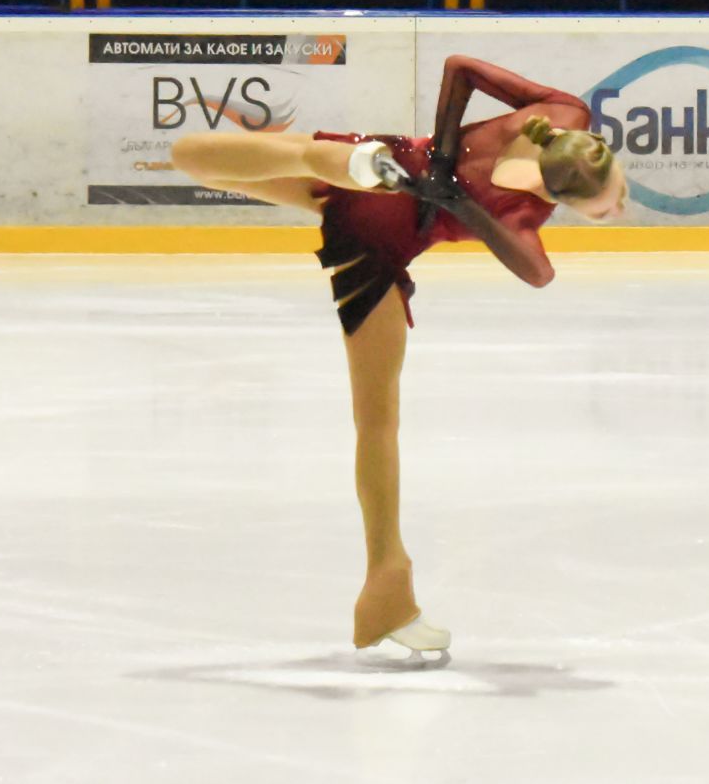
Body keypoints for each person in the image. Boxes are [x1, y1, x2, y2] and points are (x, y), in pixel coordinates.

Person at [169, 55, 627, 664]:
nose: (619, 209)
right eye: (612, 205)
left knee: (195, 156)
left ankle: (331, 161)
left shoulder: (566, 112)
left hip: (385, 160)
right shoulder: (521, 214)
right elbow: (538, 274)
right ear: (557, 191)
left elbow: (460, 67)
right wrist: (456, 198)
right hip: (380, 238)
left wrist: (439, 158)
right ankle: (387, 582)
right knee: (377, 422)